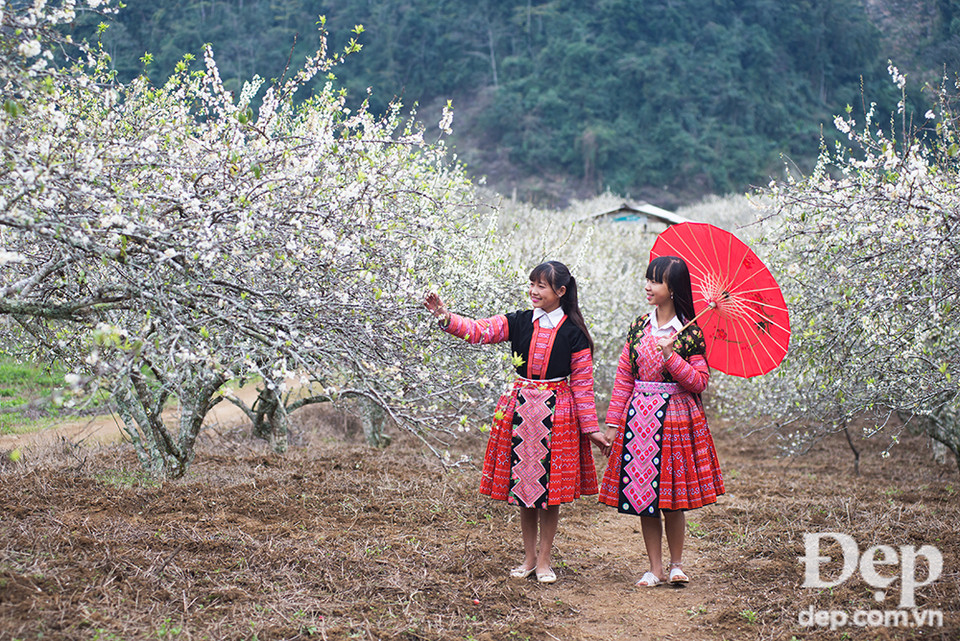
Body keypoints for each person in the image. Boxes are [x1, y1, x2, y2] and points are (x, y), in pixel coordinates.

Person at [424, 261, 609, 584]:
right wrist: (445, 316)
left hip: (558, 413)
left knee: (550, 494)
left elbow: (583, 384)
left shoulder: (574, 332)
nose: (533, 291)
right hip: (521, 409)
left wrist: (591, 428)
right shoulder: (519, 321)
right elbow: (480, 331)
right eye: (532, 284)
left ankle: (545, 561)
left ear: (560, 292)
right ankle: (528, 558)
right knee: (525, 490)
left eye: (541, 286)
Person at [599, 255, 724, 587]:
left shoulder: (690, 332)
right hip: (639, 420)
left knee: (672, 498)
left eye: (655, 281)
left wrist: (671, 356)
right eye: (648, 279)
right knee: (644, 497)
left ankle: (676, 565)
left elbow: (699, 382)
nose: (648, 286)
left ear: (673, 288)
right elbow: (625, 376)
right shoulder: (640, 326)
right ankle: (654, 567)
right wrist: (613, 424)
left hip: (676, 419)